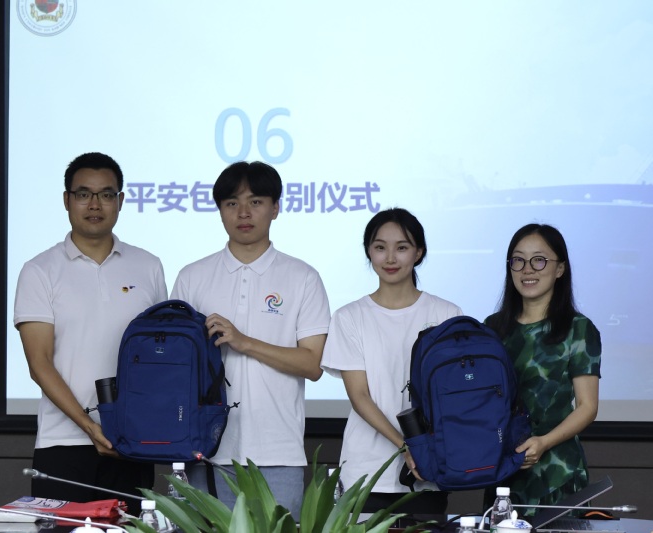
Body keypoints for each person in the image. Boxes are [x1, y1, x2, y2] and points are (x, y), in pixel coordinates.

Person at [170, 161, 330, 517]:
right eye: (232, 203)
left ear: (275, 208)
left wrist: (245, 342)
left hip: (277, 452)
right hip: (205, 452)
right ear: (219, 210)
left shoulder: (302, 277)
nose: (243, 212)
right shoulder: (192, 277)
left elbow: (313, 364)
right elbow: (176, 370)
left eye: (255, 202)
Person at [14, 152, 167, 513]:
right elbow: (39, 363)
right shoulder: (40, 270)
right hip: (62, 445)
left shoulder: (148, 266)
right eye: (84, 194)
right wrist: (89, 427)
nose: (95, 204)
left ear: (121, 201)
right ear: (67, 200)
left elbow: (159, 356)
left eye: (106, 194)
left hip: (130, 443)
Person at [320, 208, 461, 516]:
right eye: (380, 247)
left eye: (402, 247)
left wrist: (423, 452)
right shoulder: (349, 317)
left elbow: (452, 397)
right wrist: (406, 446)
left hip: (427, 471)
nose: (390, 258)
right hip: (365, 470)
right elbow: (360, 396)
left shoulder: (446, 315)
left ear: (418, 252)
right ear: (369, 251)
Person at [484, 223, 601, 515]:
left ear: (560, 269)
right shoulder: (493, 328)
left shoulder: (578, 328)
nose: (527, 269)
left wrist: (544, 442)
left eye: (539, 260)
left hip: (557, 473)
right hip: (504, 472)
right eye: (518, 260)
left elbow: (587, 407)